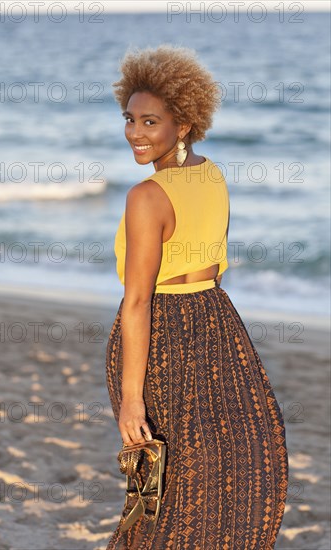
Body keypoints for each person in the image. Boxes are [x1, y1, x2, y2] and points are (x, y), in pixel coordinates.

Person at [105, 44, 288, 549]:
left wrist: (130, 399)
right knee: (229, 471)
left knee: (166, 481)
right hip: (216, 322)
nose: (135, 135)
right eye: (130, 120)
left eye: (150, 122)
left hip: (161, 333)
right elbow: (212, 261)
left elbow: (138, 301)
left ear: (182, 125)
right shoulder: (212, 173)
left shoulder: (146, 197)